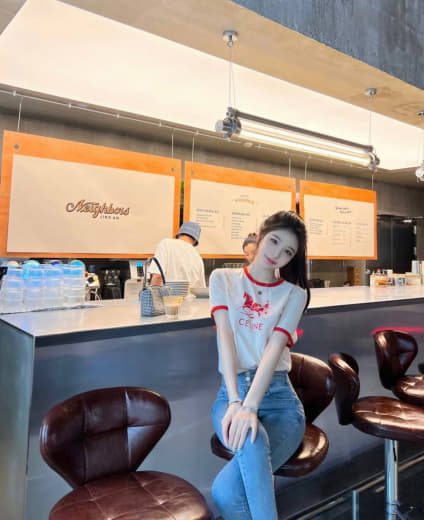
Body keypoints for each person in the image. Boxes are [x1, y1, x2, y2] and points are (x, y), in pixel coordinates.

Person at [209, 210, 310, 520]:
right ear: (260, 236)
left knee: (225, 492)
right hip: (230, 395)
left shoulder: (295, 294)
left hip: (279, 401)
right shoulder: (223, 279)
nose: (277, 254)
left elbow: (274, 349)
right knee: (247, 453)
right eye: (274, 241)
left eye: (288, 252)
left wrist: (251, 406)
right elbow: (225, 337)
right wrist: (236, 402)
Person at [150, 221, 206, 288]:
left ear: (179, 234)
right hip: (189, 295)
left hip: (166, 294)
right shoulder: (198, 258)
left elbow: (157, 276)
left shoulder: (166, 244)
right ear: (195, 241)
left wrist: (154, 293)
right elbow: (201, 289)